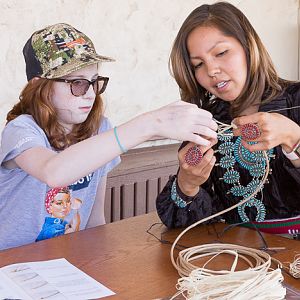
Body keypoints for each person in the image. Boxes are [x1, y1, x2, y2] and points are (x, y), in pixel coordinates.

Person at [0, 23, 218, 250]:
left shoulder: (100, 129)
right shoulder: (21, 130)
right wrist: (150, 124)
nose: (91, 93)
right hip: (11, 264)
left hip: (64, 260)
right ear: (39, 86)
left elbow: (94, 219)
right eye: (78, 83)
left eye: (95, 82)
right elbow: (53, 172)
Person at [156, 2, 300, 237]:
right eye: (198, 64)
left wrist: (293, 138)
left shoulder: (296, 100)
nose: (211, 70)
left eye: (221, 53)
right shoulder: (208, 123)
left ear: (248, 46)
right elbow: (182, 222)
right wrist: (187, 183)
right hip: (234, 256)